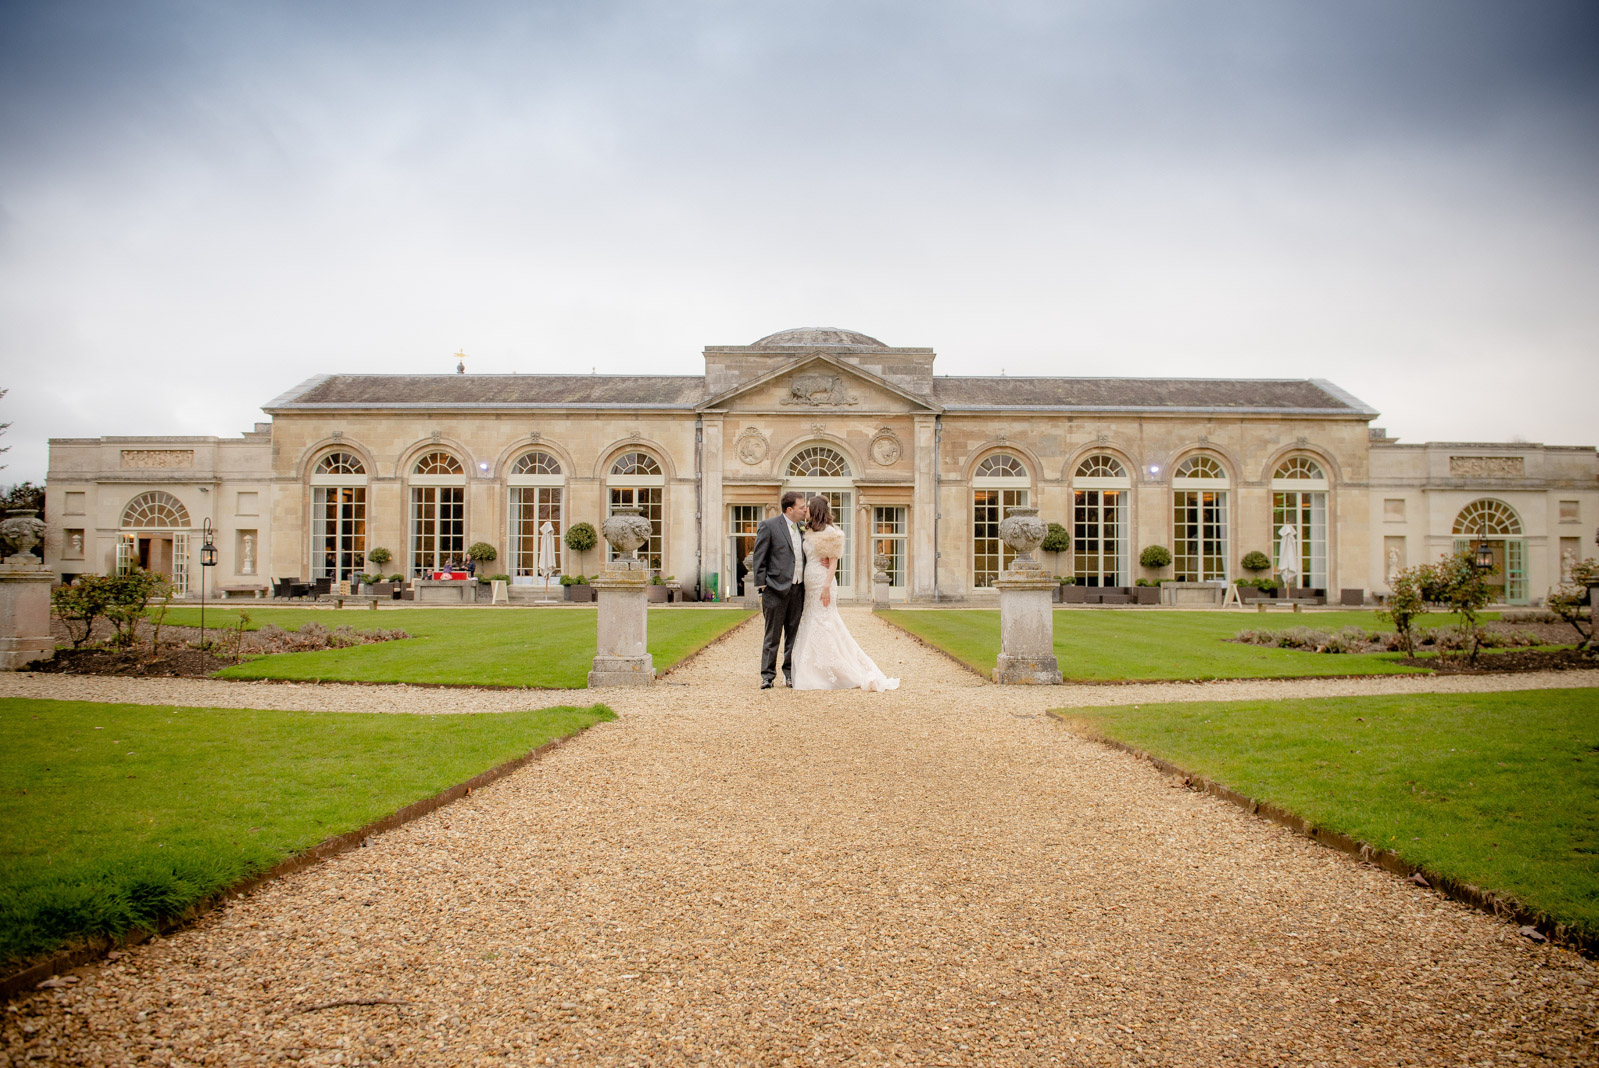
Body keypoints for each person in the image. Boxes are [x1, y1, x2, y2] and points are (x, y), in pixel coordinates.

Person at [791, 495, 900, 692]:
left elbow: (833, 562)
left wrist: (826, 586)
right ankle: (813, 669)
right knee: (810, 620)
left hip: (823, 582)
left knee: (824, 623)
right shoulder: (807, 530)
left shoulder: (830, 532)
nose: (805, 509)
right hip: (809, 583)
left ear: (816, 509)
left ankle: (836, 670)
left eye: (808, 507)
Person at [750, 491, 809, 688]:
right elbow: (759, 556)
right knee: (772, 635)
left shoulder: (803, 528)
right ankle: (767, 676)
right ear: (790, 509)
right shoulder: (769, 526)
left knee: (793, 635)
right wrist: (762, 585)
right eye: (802, 507)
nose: (805, 510)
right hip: (774, 589)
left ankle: (789, 674)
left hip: (798, 589)